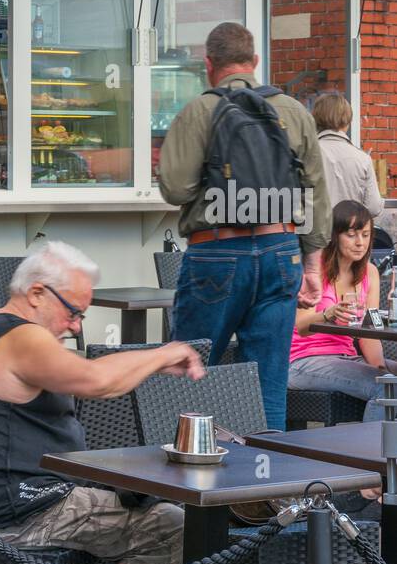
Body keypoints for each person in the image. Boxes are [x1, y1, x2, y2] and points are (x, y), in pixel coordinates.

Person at [0, 241, 204, 564]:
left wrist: (152, 360)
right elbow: (97, 381)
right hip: (12, 515)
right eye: (73, 312)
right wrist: (164, 352)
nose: (76, 327)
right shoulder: (21, 338)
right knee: (176, 526)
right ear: (36, 293)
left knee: (146, 504)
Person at [158, 22, 331, 430]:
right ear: (254, 62)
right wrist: (311, 265)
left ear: (208, 65)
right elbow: (316, 193)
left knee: (192, 368)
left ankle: (184, 484)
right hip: (281, 251)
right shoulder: (293, 110)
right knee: (268, 381)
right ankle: (267, 484)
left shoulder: (200, 110)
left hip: (217, 251)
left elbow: (176, 188)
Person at [288, 200, 397, 421]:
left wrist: (379, 367)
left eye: (365, 235)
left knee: (388, 380)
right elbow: (299, 327)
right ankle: (370, 454)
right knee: (386, 388)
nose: (360, 243)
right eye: (351, 234)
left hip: (346, 357)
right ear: (335, 235)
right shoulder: (313, 269)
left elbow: (371, 331)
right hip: (303, 360)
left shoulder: (370, 273)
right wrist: (328, 313)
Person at [312, 93, 384, 224]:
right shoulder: (362, 159)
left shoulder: (307, 153)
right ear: (347, 121)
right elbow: (373, 207)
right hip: (349, 232)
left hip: (314, 234)